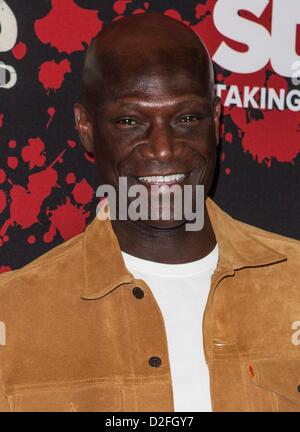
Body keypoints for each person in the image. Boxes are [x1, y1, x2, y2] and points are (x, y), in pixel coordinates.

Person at [0, 12, 299, 412]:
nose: (163, 148)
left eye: (187, 118)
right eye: (130, 121)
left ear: (216, 119)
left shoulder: (293, 286)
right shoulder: (16, 316)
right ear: (86, 127)